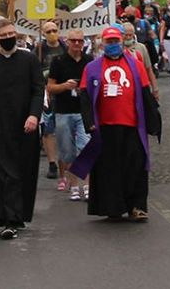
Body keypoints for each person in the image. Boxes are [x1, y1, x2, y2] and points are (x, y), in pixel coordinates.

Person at [71, 25, 158, 222]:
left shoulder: (136, 64)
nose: (112, 44)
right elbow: (85, 97)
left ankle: (137, 206)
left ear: (121, 41)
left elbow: (145, 93)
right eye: (109, 41)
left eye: (115, 41)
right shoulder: (92, 68)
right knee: (109, 169)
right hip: (105, 126)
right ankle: (113, 207)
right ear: (102, 43)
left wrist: (153, 120)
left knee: (135, 166)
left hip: (132, 125)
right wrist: (89, 122)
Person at [0, 18, 46, 240]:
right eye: (3, 36)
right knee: (3, 173)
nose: (7, 38)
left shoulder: (29, 59)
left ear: (16, 35)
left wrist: (34, 115)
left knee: (23, 171)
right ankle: (7, 219)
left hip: (25, 126)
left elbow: (38, 90)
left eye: (10, 34)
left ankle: (18, 214)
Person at [47, 29, 92, 202]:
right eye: (73, 41)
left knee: (85, 148)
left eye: (79, 41)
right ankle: (73, 185)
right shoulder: (58, 61)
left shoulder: (89, 60)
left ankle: (86, 185)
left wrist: (84, 89)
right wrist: (65, 86)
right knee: (68, 152)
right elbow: (50, 87)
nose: (76, 44)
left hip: (83, 112)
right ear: (67, 42)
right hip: (63, 111)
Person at [36, 21, 65, 181]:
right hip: (47, 94)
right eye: (48, 31)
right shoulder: (39, 50)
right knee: (48, 130)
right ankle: (52, 163)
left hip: (63, 91)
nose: (52, 33)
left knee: (65, 128)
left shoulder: (65, 47)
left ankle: (65, 160)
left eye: (54, 30)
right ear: (43, 33)